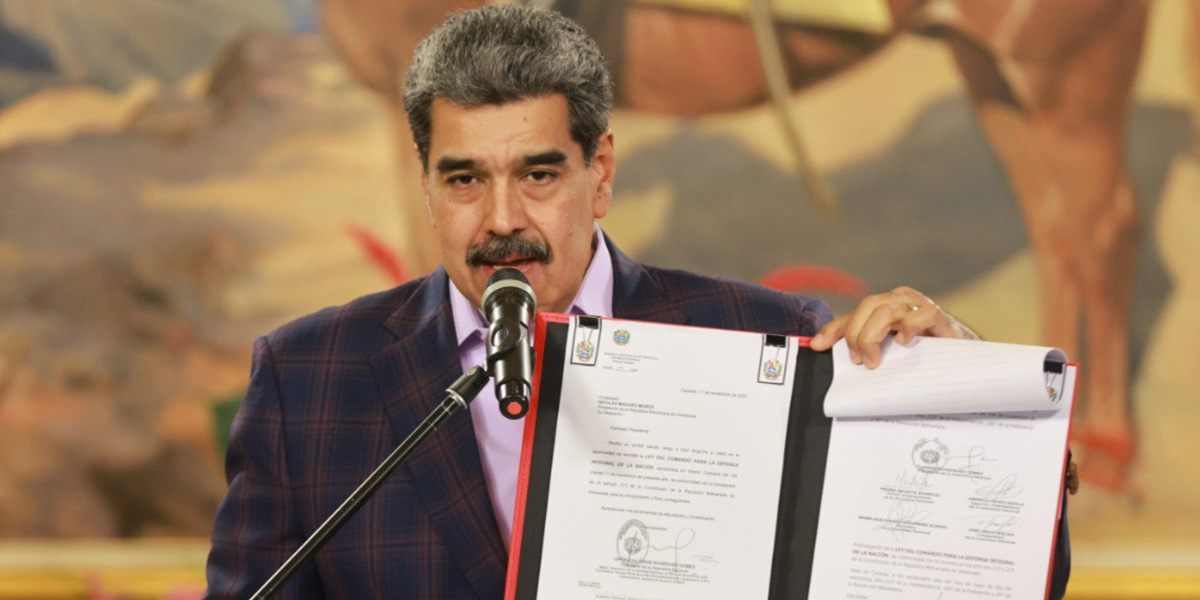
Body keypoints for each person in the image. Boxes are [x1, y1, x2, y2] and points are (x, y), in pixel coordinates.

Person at [203, 5, 1069, 599]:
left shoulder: (774, 343)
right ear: (426, 186)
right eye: (464, 180)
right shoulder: (307, 379)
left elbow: (980, 574)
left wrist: (965, 405)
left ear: (602, 174)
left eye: (539, 175)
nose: (501, 219)